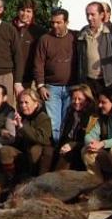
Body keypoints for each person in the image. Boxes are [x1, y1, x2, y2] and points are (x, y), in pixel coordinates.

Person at [33, 8, 82, 138]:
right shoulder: (45, 39)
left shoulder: (75, 38)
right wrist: (40, 86)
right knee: (54, 123)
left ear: (67, 22)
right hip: (51, 88)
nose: (55, 26)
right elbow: (38, 63)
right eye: (53, 22)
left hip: (71, 87)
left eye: (58, 22)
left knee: (68, 122)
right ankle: (54, 150)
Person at [6, 87, 53, 181]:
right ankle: (11, 180)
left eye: (26, 102)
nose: (23, 106)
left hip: (39, 152)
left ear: (36, 104)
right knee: (5, 151)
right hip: (23, 151)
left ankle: (35, 180)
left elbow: (42, 139)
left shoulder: (43, 118)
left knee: (34, 150)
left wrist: (22, 127)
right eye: (21, 103)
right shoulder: (20, 117)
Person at [54, 82, 96, 171]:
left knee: (68, 155)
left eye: (80, 99)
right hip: (68, 144)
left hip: (83, 147)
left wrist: (72, 145)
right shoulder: (70, 113)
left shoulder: (92, 116)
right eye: (74, 99)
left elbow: (90, 140)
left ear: (87, 100)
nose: (76, 102)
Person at [78, 1, 112, 94]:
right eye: (87, 14)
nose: (89, 18)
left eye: (92, 14)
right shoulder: (82, 33)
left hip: (107, 81)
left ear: (102, 15)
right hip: (88, 81)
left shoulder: (111, 33)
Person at [10, 1, 40, 92]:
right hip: (8, 76)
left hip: (27, 78)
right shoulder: (8, 28)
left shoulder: (38, 32)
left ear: (33, 13)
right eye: (22, 10)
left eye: (28, 11)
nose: (25, 14)